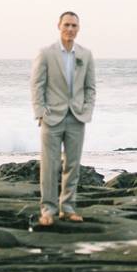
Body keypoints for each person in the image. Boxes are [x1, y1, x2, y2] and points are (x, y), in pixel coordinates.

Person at [31, 11, 97, 227]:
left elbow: (90, 88)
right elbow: (37, 85)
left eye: (74, 26)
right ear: (58, 26)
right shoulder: (46, 53)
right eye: (67, 25)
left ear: (79, 28)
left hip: (77, 117)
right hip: (52, 117)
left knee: (73, 165)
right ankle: (48, 209)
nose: (70, 29)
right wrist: (40, 112)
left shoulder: (85, 55)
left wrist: (87, 110)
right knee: (49, 166)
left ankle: (67, 207)